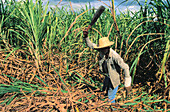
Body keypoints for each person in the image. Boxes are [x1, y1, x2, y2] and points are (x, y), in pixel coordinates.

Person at [83, 29, 132, 103]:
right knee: (104, 92)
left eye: (103, 49)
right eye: (100, 49)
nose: (101, 50)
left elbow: (126, 67)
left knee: (111, 98)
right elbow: (91, 45)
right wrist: (86, 36)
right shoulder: (102, 50)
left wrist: (127, 84)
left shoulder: (115, 56)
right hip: (107, 76)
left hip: (114, 79)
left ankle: (112, 108)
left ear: (107, 47)